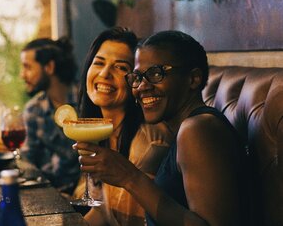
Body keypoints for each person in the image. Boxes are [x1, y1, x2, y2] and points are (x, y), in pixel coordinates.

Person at [75, 30, 247, 225]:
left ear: (193, 79)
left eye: (156, 74)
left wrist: (129, 177)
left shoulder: (198, 128)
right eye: (138, 77)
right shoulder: (185, 130)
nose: (142, 86)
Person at [76, 27, 173, 225]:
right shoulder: (105, 133)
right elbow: (105, 213)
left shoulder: (148, 144)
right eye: (99, 63)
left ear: (135, 80)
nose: (104, 73)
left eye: (120, 67)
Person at [19, 37, 80, 195]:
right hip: (52, 194)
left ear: (49, 67)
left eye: (27, 67)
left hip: (90, 194)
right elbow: (28, 162)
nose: (22, 75)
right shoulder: (33, 110)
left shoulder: (87, 100)